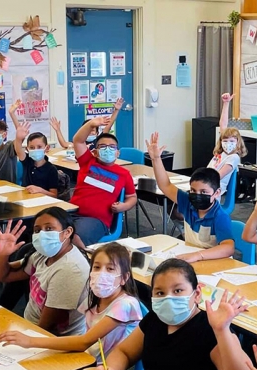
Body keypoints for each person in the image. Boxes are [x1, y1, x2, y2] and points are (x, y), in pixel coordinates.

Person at [92, 258, 255, 370]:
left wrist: (222, 330)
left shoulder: (211, 329)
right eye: (160, 293)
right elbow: (125, 352)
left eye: (178, 290)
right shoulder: (155, 320)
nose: (168, 298)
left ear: (197, 293)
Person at [0, 242, 142, 364]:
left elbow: (84, 342)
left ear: (124, 278)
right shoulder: (95, 298)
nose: (101, 273)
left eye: (110, 269)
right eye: (97, 267)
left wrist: (30, 341)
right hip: (86, 360)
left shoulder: (124, 305)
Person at [0, 207, 89, 336]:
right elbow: (3, 275)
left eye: (49, 229)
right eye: (37, 230)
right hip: (29, 326)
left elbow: (46, 327)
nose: (42, 234)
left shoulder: (70, 270)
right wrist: (2, 254)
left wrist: (23, 338)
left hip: (53, 340)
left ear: (67, 232)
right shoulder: (43, 255)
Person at [146, 132, 234, 262]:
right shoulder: (188, 202)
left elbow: (229, 248)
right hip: (192, 258)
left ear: (217, 193)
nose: (197, 195)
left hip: (213, 263)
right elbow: (165, 185)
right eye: (193, 190)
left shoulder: (219, 216)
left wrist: (198, 255)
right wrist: (156, 159)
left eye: (204, 192)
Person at [69, 116, 137, 248]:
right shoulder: (87, 162)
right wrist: (90, 124)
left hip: (96, 221)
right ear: (94, 152)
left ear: (117, 153)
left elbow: (132, 197)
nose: (107, 149)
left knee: (73, 237)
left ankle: (84, 261)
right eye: (103, 146)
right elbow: (78, 140)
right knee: (47, 227)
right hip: (71, 212)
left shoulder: (123, 174)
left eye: (112, 147)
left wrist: (124, 206)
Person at [49, 97, 124, 151]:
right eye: (88, 130)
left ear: (97, 133)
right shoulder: (80, 141)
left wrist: (116, 110)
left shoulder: (98, 140)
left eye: (93, 130)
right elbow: (64, 144)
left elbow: (109, 124)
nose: (90, 132)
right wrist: (58, 130)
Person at [210, 92, 247, 197]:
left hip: (213, 190)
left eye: (232, 141)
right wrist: (226, 103)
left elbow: (218, 176)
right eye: (225, 141)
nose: (228, 144)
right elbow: (223, 124)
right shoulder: (221, 153)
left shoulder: (234, 157)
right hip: (206, 184)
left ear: (238, 142)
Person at [13, 122, 59, 197]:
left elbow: (54, 195)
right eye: (32, 147)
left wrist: (40, 191)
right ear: (27, 149)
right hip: (27, 198)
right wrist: (18, 138)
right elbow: (18, 150)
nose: (35, 150)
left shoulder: (51, 169)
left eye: (39, 147)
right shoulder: (27, 161)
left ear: (46, 148)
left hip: (43, 201)